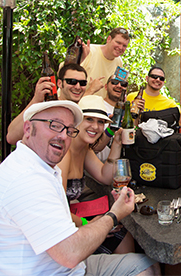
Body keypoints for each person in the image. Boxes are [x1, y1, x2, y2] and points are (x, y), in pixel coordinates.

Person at [0, 100, 159, 275]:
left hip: (56, 263)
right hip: (53, 268)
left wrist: (116, 144)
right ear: (28, 129)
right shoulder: (27, 179)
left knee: (148, 261)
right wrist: (112, 215)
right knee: (142, 263)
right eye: (53, 125)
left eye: (69, 130)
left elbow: (103, 176)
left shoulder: (39, 165)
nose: (62, 135)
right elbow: (70, 253)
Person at [57, 95, 136, 255]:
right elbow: (57, 209)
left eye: (100, 121)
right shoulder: (64, 153)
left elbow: (104, 176)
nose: (95, 126)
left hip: (74, 220)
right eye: (89, 119)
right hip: (62, 232)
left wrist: (116, 144)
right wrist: (90, 223)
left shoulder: (84, 149)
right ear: (76, 121)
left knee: (124, 236)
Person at [7, 63, 89, 145]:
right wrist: (36, 100)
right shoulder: (47, 106)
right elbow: (11, 137)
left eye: (82, 83)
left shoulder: (85, 110)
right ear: (59, 83)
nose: (78, 87)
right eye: (72, 82)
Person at [80, 27, 131, 99]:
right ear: (109, 39)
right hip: (77, 105)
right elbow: (64, 73)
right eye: (118, 42)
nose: (120, 47)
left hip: (100, 107)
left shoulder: (119, 61)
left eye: (124, 45)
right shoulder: (89, 51)